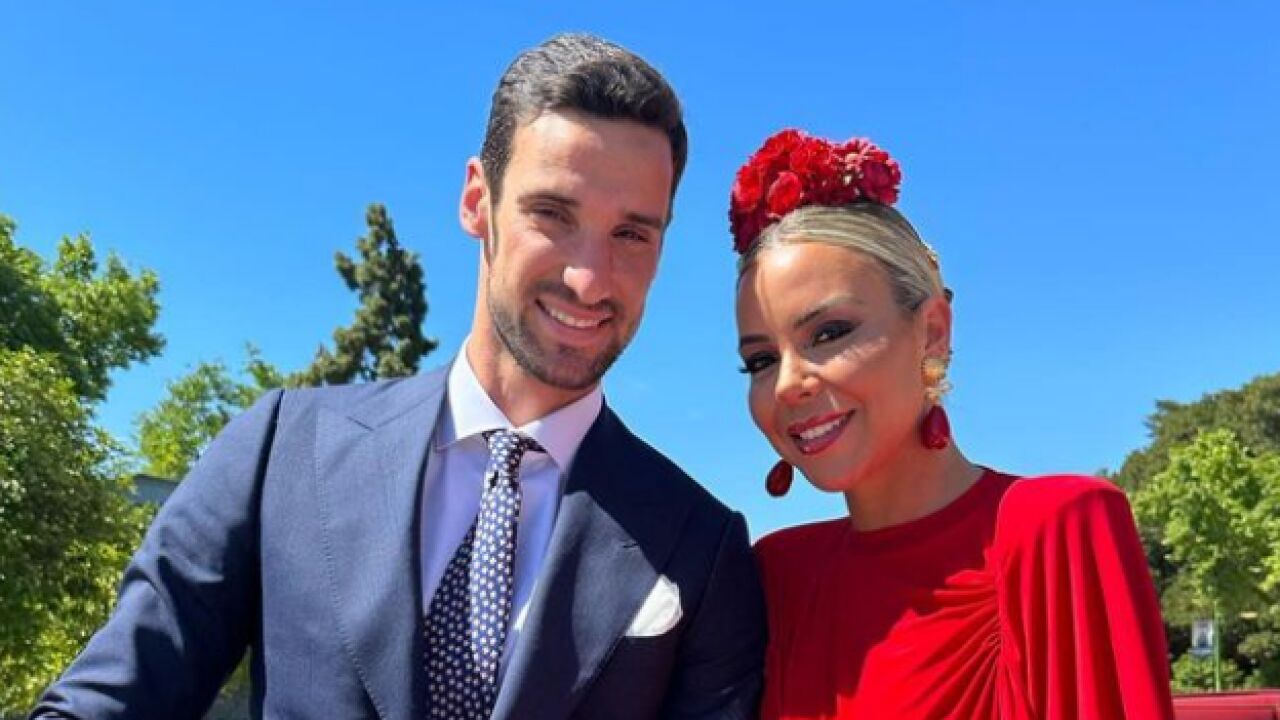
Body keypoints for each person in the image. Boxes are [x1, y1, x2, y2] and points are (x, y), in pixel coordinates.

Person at [33, 34, 765, 720]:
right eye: (552, 213)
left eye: (631, 234)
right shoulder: (281, 448)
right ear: (477, 201)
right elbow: (111, 697)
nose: (589, 277)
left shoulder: (701, 547)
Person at [730, 129, 1174, 719]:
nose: (788, 383)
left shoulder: (1055, 527)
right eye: (761, 360)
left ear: (933, 331)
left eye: (830, 333)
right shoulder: (780, 575)